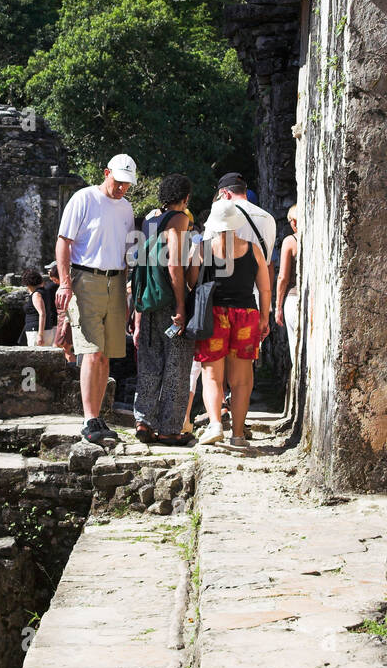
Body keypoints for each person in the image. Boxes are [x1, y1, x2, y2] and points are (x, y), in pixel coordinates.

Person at [55, 154, 137, 447]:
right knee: (90, 351)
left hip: (115, 281)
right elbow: (63, 241)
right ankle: (88, 419)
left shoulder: (126, 208)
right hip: (85, 277)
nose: (122, 188)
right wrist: (65, 283)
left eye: (127, 184)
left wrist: (127, 288)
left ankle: (97, 416)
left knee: (106, 354)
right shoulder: (83, 198)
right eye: (118, 182)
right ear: (106, 173)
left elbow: (127, 251)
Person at [195, 198, 270, 450]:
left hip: (213, 315)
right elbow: (264, 288)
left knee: (212, 376)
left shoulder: (203, 249)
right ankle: (238, 434)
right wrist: (265, 317)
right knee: (242, 380)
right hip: (246, 315)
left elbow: (192, 282)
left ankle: (215, 424)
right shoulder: (253, 249)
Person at [132, 173, 198, 446]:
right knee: (177, 365)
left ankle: (143, 423)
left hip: (147, 302)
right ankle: (170, 429)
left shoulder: (149, 220)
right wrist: (181, 306)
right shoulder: (179, 219)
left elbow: (141, 266)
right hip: (170, 302)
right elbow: (174, 264)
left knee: (149, 362)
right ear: (184, 198)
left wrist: (135, 318)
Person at [275, 204, 299, 363]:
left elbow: (283, 277)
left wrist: (278, 306)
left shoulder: (290, 241)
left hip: (292, 299)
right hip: (314, 301)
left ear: (295, 222)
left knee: (295, 350)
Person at [21, 268, 47, 348]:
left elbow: (42, 314)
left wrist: (40, 334)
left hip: (35, 331)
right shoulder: (46, 292)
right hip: (43, 329)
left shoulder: (36, 295)